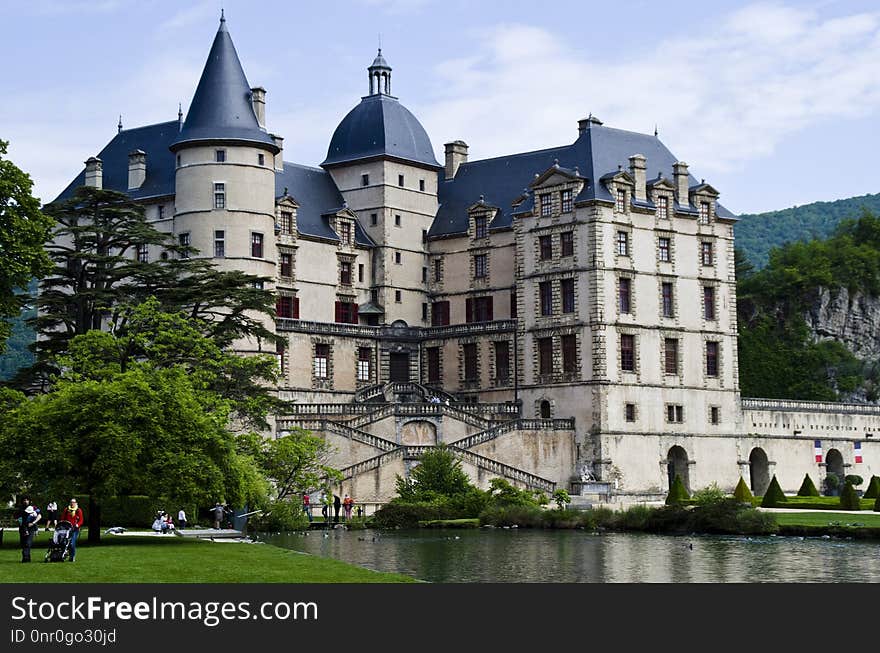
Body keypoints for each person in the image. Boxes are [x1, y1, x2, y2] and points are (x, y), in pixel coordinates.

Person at [17, 497, 41, 563]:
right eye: (24, 500)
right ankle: (27, 557)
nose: (26, 501)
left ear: (29, 501)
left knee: (28, 543)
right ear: (22, 501)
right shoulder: (20, 509)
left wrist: (34, 525)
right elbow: (20, 520)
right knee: (23, 544)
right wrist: (25, 529)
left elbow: (39, 516)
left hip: (31, 528)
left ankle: (26, 559)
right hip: (23, 528)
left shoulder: (34, 508)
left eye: (27, 500)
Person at [60, 498, 83, 562]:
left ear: (76, 503)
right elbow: (62, 519)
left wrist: (77, 525)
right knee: (64, 542)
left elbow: (81, 520)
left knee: (72, 543)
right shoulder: (66, 510)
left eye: (73, 502)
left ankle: (72, 556)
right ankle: (64, 554)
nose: (72, 503)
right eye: (71, 502)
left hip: (74, 529)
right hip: (67, 529)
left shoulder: (78, 510)